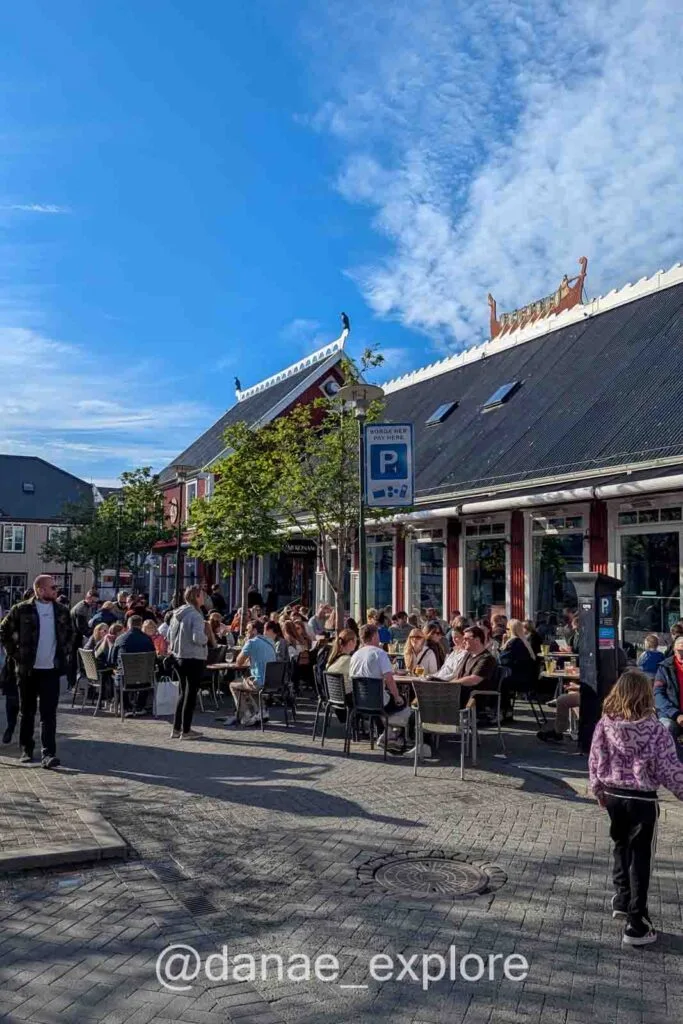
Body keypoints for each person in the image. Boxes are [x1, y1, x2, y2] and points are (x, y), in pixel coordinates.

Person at [589, 669, 683, 946]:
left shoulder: (605, 724)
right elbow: (670, 770)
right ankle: (637, 922)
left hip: (613, 794)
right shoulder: (655, 730)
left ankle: (622, 897)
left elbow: (595, 759)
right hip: (642, 799)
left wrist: (597, 789)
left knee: (620, 844)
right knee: (641, 858)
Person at [0, 574, 74, 768]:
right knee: (27, 711)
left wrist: (64, 652)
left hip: (51, 670)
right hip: (27, 670)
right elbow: (4, 631)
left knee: (49, 713)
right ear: (40, 589)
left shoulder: (62, 611)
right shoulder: (21, 609)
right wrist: (15, 654)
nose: (56, 590)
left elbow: (70, 634)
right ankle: (26, 749)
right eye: (52, 588)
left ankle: (48, 753)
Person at [168, 587, 209, 738]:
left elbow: (169, 635)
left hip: (179, 656)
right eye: (202, 595)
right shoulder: (196, 615)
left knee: (182, 693)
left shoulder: (177, 614)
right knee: (190, 695)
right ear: (197, 597)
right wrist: (206, 639)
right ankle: (186, 730)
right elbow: (197, 638)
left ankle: (176, 728)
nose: (204, 598)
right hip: (193, 657)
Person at [226, 620, 276, 727]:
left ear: (254, 630)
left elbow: (239, 662)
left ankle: (246, 715)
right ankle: (262, 711)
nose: (246, 633)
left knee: (233, 685)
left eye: (248, 630)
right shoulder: (270, 641)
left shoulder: (252, 642)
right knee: (249, 680)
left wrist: (245, 643)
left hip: (259, 682)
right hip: (273, 682)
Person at [349, 624, 406, 712]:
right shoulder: (379, 654)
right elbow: (389, 680)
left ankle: (377, 721)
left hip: (358, 702)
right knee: (403, 700)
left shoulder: (354, 655)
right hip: (378, 703)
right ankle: (386, 723)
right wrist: (397, 697)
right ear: (374, 636)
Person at [499, 619, 537, 722]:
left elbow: (503, 660)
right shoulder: (524, 642)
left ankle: (504, 711)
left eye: (507, 629)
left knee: (500, 683)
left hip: (520, 680)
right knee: (502, 682)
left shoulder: (514, 643)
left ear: (511, 630)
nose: (506, 631)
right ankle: (507, 710)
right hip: (527, 679)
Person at [653, 635, 683, 743]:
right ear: (674, 651)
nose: (682, 654)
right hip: (671, 715)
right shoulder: (664, 668)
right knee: (666, 727)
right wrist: (676, 714)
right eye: (680, 651)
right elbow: (658, 695)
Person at [326, 628, 359, 694]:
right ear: (350, 642)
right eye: (356, 641)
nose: (356, 644)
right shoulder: (348, 660)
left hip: (334, 696)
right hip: (348, 698)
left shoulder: (332, 659)